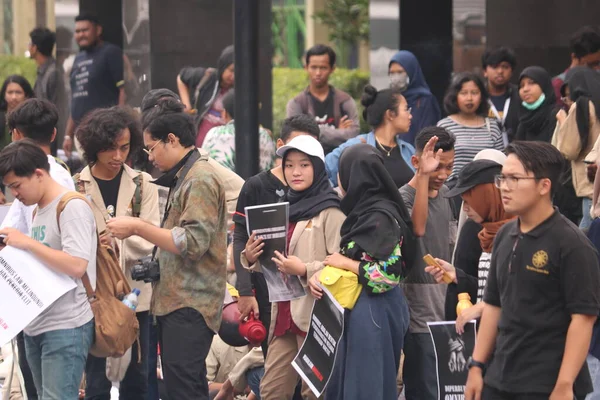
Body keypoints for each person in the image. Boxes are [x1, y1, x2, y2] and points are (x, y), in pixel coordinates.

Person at [105, 108, 228, 399]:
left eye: (152, 148)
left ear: (171, 140)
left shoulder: (199, 178)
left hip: (190, 302)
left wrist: (137, 226)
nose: (150, 157)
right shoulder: (187, 174)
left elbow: (193, 242)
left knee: (182, 390)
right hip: (179, 301)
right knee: (188, 385)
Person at [464, 141, 600, 400]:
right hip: (499, 377)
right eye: (502, 178)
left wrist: (564, 384)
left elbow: (583, 319)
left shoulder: (572, 244)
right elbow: (493, 305)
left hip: (546, 384)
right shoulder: (505, 235)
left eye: (514, 178)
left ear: (543, 186)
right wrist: (477, 365)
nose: (504, 186)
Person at [242, 135, 345, 400]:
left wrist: (305, 269)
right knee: (272, 390)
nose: (295, 172)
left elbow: (343, 265)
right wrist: (251, 257)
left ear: (318, 168)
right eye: (289, 165)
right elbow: (275, 262)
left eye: (304, 165)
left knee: (314, 392)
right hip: (283, 315)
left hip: (313, 317)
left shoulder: (330, 211)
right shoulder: (283, 208)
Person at [312, 143, 414, 400]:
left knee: (366, 388)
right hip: (360, 309)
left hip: (373, 314)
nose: (338, 179)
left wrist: (346, 264)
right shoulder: (365, 214)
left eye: (342, 172)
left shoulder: (379, 217)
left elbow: (389, 275)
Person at [74, 107, 160, 400]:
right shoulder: (76, 186)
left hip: (136, 295)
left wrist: (120, 239)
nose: (118, 156)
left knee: (139, 377)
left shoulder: (142, 183)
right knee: (96, 379)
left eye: (125, 148)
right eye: (110, 148)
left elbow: (152, 237)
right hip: (94, 297)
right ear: (94, 147)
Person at [0, 140, 97, 399]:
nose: (15, 195)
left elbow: (77, 265)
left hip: (66, 326)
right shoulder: (38, 209)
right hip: (37, 324)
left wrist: (28, 243)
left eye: (16, 186)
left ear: (39, 174)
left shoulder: (71, 206)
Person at [2, 98, 75, 400]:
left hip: (51, 304)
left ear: (16, 135)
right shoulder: (51, 175)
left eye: (17, 188)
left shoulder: (50, 186)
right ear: (55, 134)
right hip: (33, 299)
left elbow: (74, 260)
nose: (16, 194)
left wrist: (17, 241)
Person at [233, 114, 321, 361]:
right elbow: (240, 235)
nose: (298, 167)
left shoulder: (321, 192)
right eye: (293, 152)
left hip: (308, 289)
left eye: (308, 154)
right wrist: (245, 289)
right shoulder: (256, 186)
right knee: (275, 362)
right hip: (266, 287)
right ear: (281, 146)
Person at [399, 127, 456, 400]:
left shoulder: (446, 197)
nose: (442, 175)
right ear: (416, 162)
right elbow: (417, 228)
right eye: (436, 168)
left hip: (446, 305)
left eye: (448, 167)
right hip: (417, 309)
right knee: (423, 387)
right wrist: (423, 177)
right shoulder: (403, 198)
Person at [426, 160, 516, 333]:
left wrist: (482, 308)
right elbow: (488, 289)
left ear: (488, 197)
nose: (465, 208)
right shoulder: (482, 232)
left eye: (470, 201)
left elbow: (519, 294)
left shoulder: (520, 236)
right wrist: (457, 276)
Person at [326, 85, 415, 188]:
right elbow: (321, 171)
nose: (410, 115)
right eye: (406, 109)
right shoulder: (356, 147)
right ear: (390, 114)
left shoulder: (408, 150)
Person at [63, 14, 125, 157]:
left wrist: (119, 125)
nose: (81, 35)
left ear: (98, 30)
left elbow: (123, 90)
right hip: (81, 135)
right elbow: (76, 99)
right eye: (77, 31)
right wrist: (68, 135)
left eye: (85, 30)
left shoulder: (110, 52)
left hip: (105, 133)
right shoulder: (78, 59)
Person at [286, 44, 360, 153]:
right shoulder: (297, 103)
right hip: (307, 162)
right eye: (314, 67)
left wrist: (311, 132)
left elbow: (354, 135)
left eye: (323, 68)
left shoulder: (345, 101)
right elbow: (294, 137)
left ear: (332, 69)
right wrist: (337, 132)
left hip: (340, 162)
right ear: (306, 68)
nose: (318, 73)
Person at [437, 72, 504, 189]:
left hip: (487, 189)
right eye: (463, 93)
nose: (469, 98)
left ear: (482, 96)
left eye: (474, 93)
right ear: (455, 96)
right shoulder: (444, 126)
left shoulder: (492, 126)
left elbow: (501, 162)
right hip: (453, 190)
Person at [555, 66, 600, 230]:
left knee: (586, 237)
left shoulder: (581, 105)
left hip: (590, 186)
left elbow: (568, 150)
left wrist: (563, 122)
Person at [202, 90, 276, 172]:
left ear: (224, 114)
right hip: (256, 184)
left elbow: (204, 166)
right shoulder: (264, 135)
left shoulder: (213, 134)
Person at [177, 45, 235, 147]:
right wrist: (186, 105)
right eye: (231, 70)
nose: (233, 76)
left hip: (224, 149)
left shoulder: (239, 91)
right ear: (223, 66)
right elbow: (181, 77)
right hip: (199, 145)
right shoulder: (208, 77)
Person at [388, 50, 441, 145]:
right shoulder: (391, 100)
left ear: (411, 72)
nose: (396, 77)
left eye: (400, 72)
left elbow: (427, 134)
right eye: (392, 73)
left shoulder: (425, 100)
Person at [29, 27, 68, 155]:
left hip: (51, 140)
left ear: (35, 48)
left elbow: (59, 110)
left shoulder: (53, 72)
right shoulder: (43, 71)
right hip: (42, 136)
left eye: (30, 44)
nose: (28, 47)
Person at [553, 26, 600, 109]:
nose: (596, 68)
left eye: (598, 63)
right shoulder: (559, 84)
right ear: (574, 58)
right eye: (591, 65)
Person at [482, 46, 520, 143]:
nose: (500, 71)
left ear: (512, 71)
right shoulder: (478, 97)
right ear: (485, 71)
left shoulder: (521, 96)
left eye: (505, 67)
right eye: (495, 67)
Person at [515, 66, 559, 143]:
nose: (525, 89)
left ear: (544, 85)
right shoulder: (524, 119)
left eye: (531, 83)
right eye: (521, 86)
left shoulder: (556, 114)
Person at [0, 75, 34, 153]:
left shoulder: (33, 119)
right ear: (4, 95)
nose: (14, 97)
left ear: (26, 95)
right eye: (10, 92)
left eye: (18, 92)